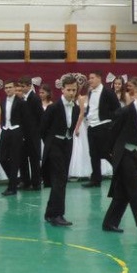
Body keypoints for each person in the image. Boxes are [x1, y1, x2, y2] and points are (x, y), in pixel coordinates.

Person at [102, 79, 137, 235]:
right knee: (134, 189)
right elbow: (112, 132)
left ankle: (109, 223)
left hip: (136, 154)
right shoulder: (125, 112)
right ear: (134, 94)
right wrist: (110, 153)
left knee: (123, 192)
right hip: (124, 155)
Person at [40, 76, 79, 227]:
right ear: (62, 89)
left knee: (61, 180)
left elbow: (71, 126)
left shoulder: (76, 108)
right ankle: (58, 214)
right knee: (59, 180)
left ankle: (50, 213)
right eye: (69, 90)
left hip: (67, 144)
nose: (72, 93)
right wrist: (51, 144)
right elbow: (43, 129)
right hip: (54, 145)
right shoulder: (53, 108)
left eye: (74, 90)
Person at [80, 70, 121, 187]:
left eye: (92, 78)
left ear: (99, 78)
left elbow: (118, 110)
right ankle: (96, 179)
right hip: (91, 127)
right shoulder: (91, 92)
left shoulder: (108, 92)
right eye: (89, 78)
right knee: (93, 154)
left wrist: (108, 118)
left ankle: (121, 173)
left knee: (106, 152)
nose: (90, 80)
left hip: (103, 126)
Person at [0, 81, 25, 195]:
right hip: (5, 131)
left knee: (14, 159)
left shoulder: (21, 102)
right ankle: (15, 180)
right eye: (6, 88)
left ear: (14, 88)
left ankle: (12, 188)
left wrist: (23, 135)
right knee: (1, 157)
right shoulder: (3, 101)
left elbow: (25, 119)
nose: (8, 89)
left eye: (10, 87)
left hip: (16, 132)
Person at [16, 75, 43, 190]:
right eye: (20, 86)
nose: (21, 89)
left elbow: (40, 116)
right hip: (22, 134)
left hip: (33, 134)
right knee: (22, 158)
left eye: (23, 86)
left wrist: (37, 132)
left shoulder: (35, 98)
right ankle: (25, 181)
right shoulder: (20, 99)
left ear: (29, 86)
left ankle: (36, 182)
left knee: (34, 159)